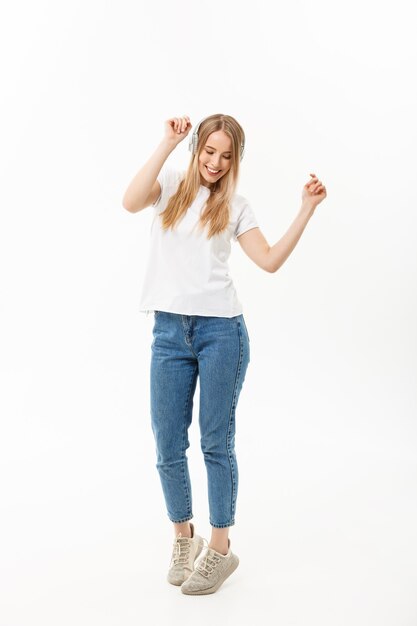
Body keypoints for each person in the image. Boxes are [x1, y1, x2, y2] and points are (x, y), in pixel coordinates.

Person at [122, 113, 327, 595]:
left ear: (236, 160)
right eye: (208, 151)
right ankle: (183, 537)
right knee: (168, 444)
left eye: (226, 156)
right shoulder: (169, 184)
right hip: (169, 334)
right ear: (196, 149)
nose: (215, 163)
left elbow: (270, 261)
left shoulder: (236, 206)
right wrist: (165, 144)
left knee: (216, 442)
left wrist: (306, 209)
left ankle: (219, 548)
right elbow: (130, 201)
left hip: (222, 335)